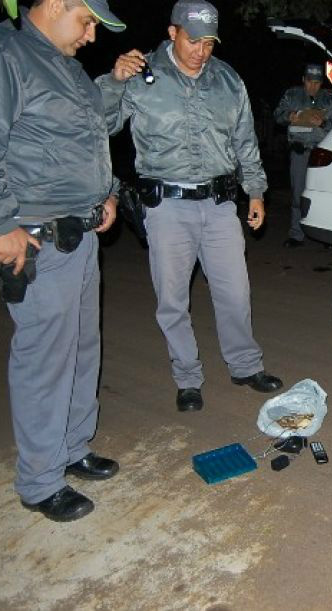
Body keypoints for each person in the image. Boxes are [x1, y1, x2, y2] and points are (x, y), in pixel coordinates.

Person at [0, 0, 126, 522]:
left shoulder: (66, 67)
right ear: (54, 4)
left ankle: (72, 448)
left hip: (81, 232)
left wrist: (106, 194)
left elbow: (87, 143)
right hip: (37, 240)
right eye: (87, 21)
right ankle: (40, 479)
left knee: (81, 348)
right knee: (44, 358)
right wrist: (0, 224)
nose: (92, 36)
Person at [97, 0, 282, 413]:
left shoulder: (228, 80)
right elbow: (100, 123)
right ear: (173, 33)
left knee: (235, 292)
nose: (201, 50)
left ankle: (245, 365)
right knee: (173, 300)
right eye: (193, 40)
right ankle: (187, 378)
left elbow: (245, 140)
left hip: (219, 205)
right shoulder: (140, 73)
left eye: (209, 42)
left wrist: (255, 191)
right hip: (167, 206)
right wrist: (113, 80)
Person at [274, 63, 332, 247]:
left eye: (317, 83)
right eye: (310, 82)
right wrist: (289, 116)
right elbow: (277, 115)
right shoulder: (292, 95)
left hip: (323, 154)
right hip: (299, 151)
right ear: (303, 80)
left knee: (324, 193)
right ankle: (296, 234)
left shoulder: (329, 100)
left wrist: (323, 122)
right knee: (297, 193)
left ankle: (327, 231)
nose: (313, 86)